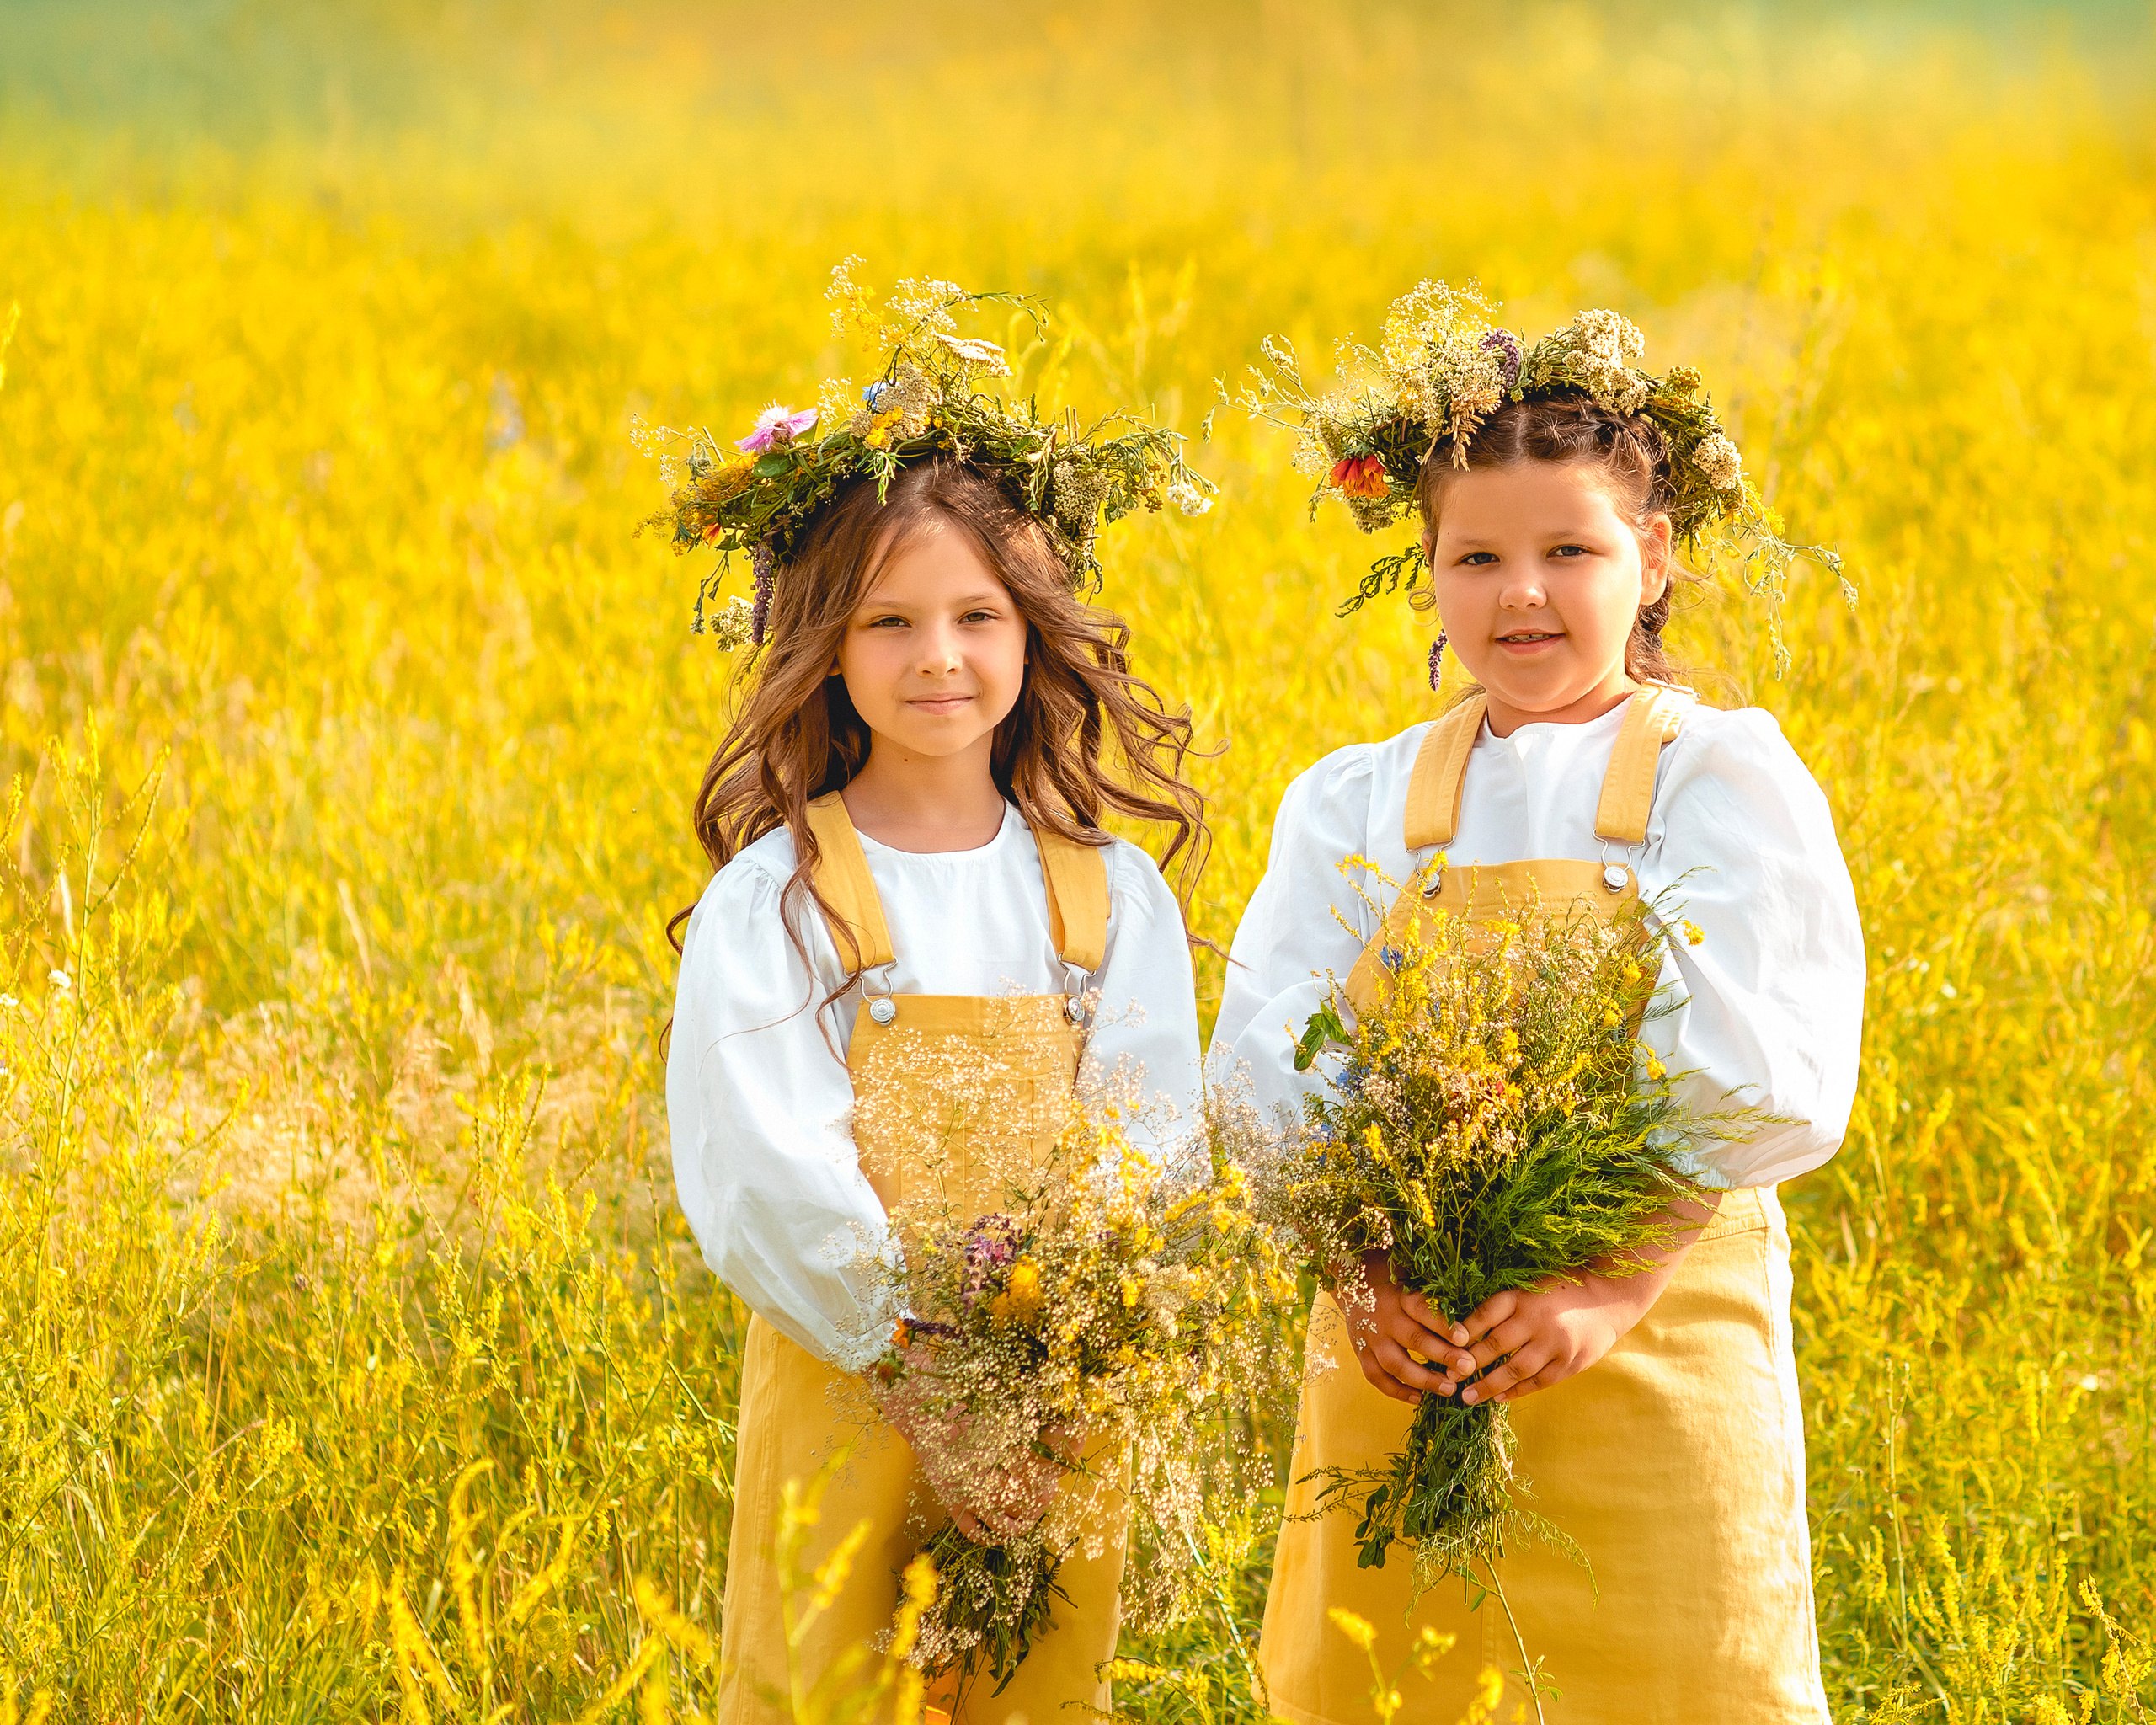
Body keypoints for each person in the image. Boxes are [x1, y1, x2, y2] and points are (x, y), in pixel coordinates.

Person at [1216, 286, 1865, 1722]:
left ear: (1654, 554)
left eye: (1570, 550)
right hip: (1410, 1353)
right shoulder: (1358, 802)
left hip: (1655, 1334)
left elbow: (1759, 1063)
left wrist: (1606, 1286)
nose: (1522, 593)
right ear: (1430, 572)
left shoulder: (1716, 778)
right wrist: (1366, 1283)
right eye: (1478, 557)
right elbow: (1271, 1061)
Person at [658, 271, 1214, 1725]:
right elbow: (766, 1171)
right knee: (834, 1691)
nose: (940, 658)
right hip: (856, 1393)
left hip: (1053, 1418)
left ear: (1035, 634)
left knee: (1042, 1693)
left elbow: (1151, 1146)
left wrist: (1045, 1378)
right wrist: (929, 1380)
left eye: (977, 615)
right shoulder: (781, 899)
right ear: (822, 645)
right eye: (888, 622)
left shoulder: (1107, 897)